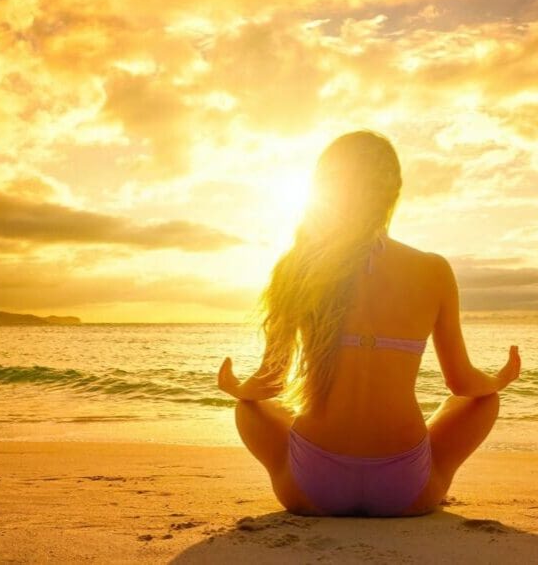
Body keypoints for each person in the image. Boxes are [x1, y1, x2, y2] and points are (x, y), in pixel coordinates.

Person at [217, 130, 520, 517]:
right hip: (405, 488)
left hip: (313, 486)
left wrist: (234, 387)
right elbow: (462, 383)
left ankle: (309, 476)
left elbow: (270, 381)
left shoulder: (297, 266)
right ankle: (428, 480)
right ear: (392, 193)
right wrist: (499, 379)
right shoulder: (433, 270)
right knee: (483, 401)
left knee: (250, 408)